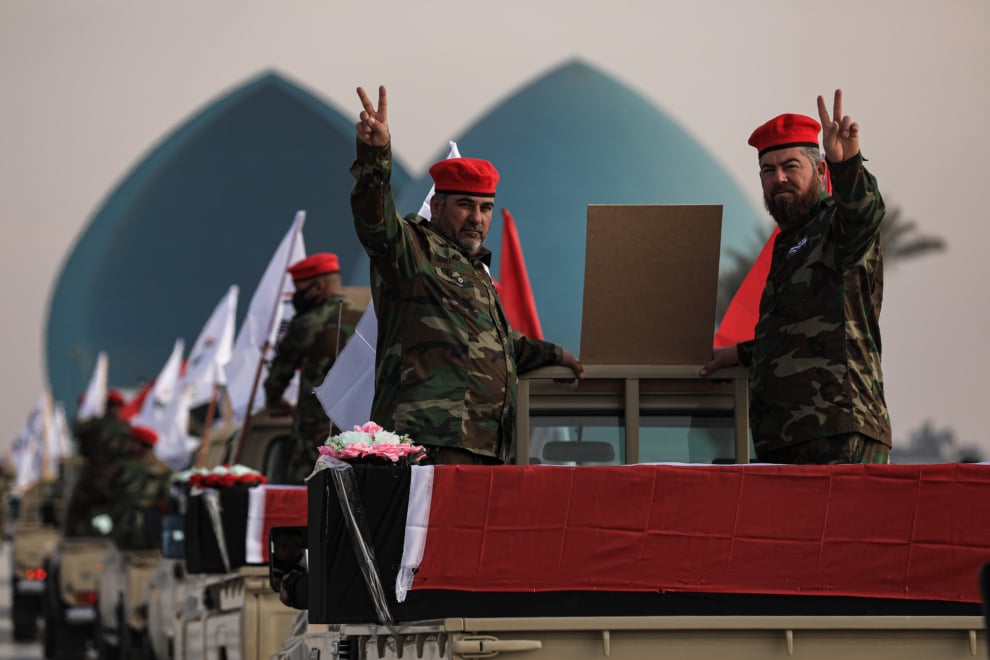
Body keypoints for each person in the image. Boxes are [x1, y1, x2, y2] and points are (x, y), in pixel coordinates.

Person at [350, 84, 584, 465]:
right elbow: (375, 221)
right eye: (465, 205)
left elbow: (502, 345)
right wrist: (376, 155)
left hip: (485, 448)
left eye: (486, 208)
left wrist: (557, 356)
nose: (477, 218)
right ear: (437, 206)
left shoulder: (478, 275)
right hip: (428, 445)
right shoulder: (414, 252)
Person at [700, 90, 891, 465]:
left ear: (820, 171)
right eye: (768, 171)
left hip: (839, 431)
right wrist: (739, 354)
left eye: (791, 166)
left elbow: (864, 215)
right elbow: (803, 332)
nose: (780, 178)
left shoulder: (836, 228)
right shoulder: (790, 243)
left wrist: (848, 164)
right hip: (786, 437)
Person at [264, 253, 360, 481]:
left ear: (318, 286)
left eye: (300, 288)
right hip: (358, 435)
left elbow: (278, 377)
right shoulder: (364, 319)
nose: (298, 296)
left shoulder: (305, 324)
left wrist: (275, 401)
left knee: (306, 498)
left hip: (313, 436)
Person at [63, 390, 132, 535]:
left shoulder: (92, 426)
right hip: (118, 480)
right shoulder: (127, 429)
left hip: (93, 478)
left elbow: (80, 443)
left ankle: (74, 537)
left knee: (76, 510)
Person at [109, 424, 172, 550]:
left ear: (141, 445)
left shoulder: (122, 467)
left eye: (132, 441)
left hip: (125, 526)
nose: (129, 444)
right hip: (150, 529)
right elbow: (166, 499)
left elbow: (109, 491)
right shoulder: (163, 469)